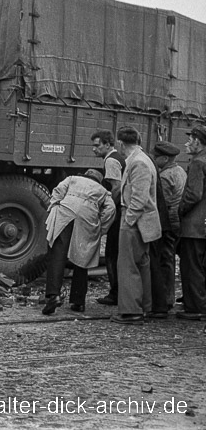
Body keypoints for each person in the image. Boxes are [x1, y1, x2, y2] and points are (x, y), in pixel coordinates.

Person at [42, 169, 116, 315]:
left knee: (57, 253)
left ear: (85, 175)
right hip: (87, 218)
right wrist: (101, 229)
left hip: (65, 212)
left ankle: (53, 296)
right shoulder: (102, 190)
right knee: (82, 258)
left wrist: (55, 206)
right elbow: (111, 209)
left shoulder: (72, 179)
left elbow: (58, 190)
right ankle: (78, 301)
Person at [111, 126, 161, 325]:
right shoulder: (142, 159)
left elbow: (139, 199)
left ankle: (132, 311)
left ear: (121, 144)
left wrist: (128, 220)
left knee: (128, 266)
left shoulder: (138, 163)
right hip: (141, 222)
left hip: (134, 221)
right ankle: (142, 307)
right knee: (141, 265)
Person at [147, 141, 187, 318]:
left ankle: (165, 298)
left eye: (156, 158)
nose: (154, 160)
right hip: (179, 221)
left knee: (164, 259)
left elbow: (161, 203)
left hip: (168, 222)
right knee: (170, 258)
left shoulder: (164, 176)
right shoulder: (180, 171)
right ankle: (169, 296)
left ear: (164, 158)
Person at [91, 130, 125, 306]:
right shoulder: (116, 157)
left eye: (97, 145)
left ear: (107, 144)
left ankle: (115, 293)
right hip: (120, 211)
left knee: (112, 253)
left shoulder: (111, 160)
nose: (94, 149)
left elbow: (116, 188)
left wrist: (109, 210)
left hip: (117, 212)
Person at [177, 124, 206, 320]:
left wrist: (180, 210)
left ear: (198, 141)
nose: (187, 143)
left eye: (190, 139)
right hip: (203, 224)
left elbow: (194, 194)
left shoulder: (198, 163)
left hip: (194, 226)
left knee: (191, 267)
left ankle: (195, 307)